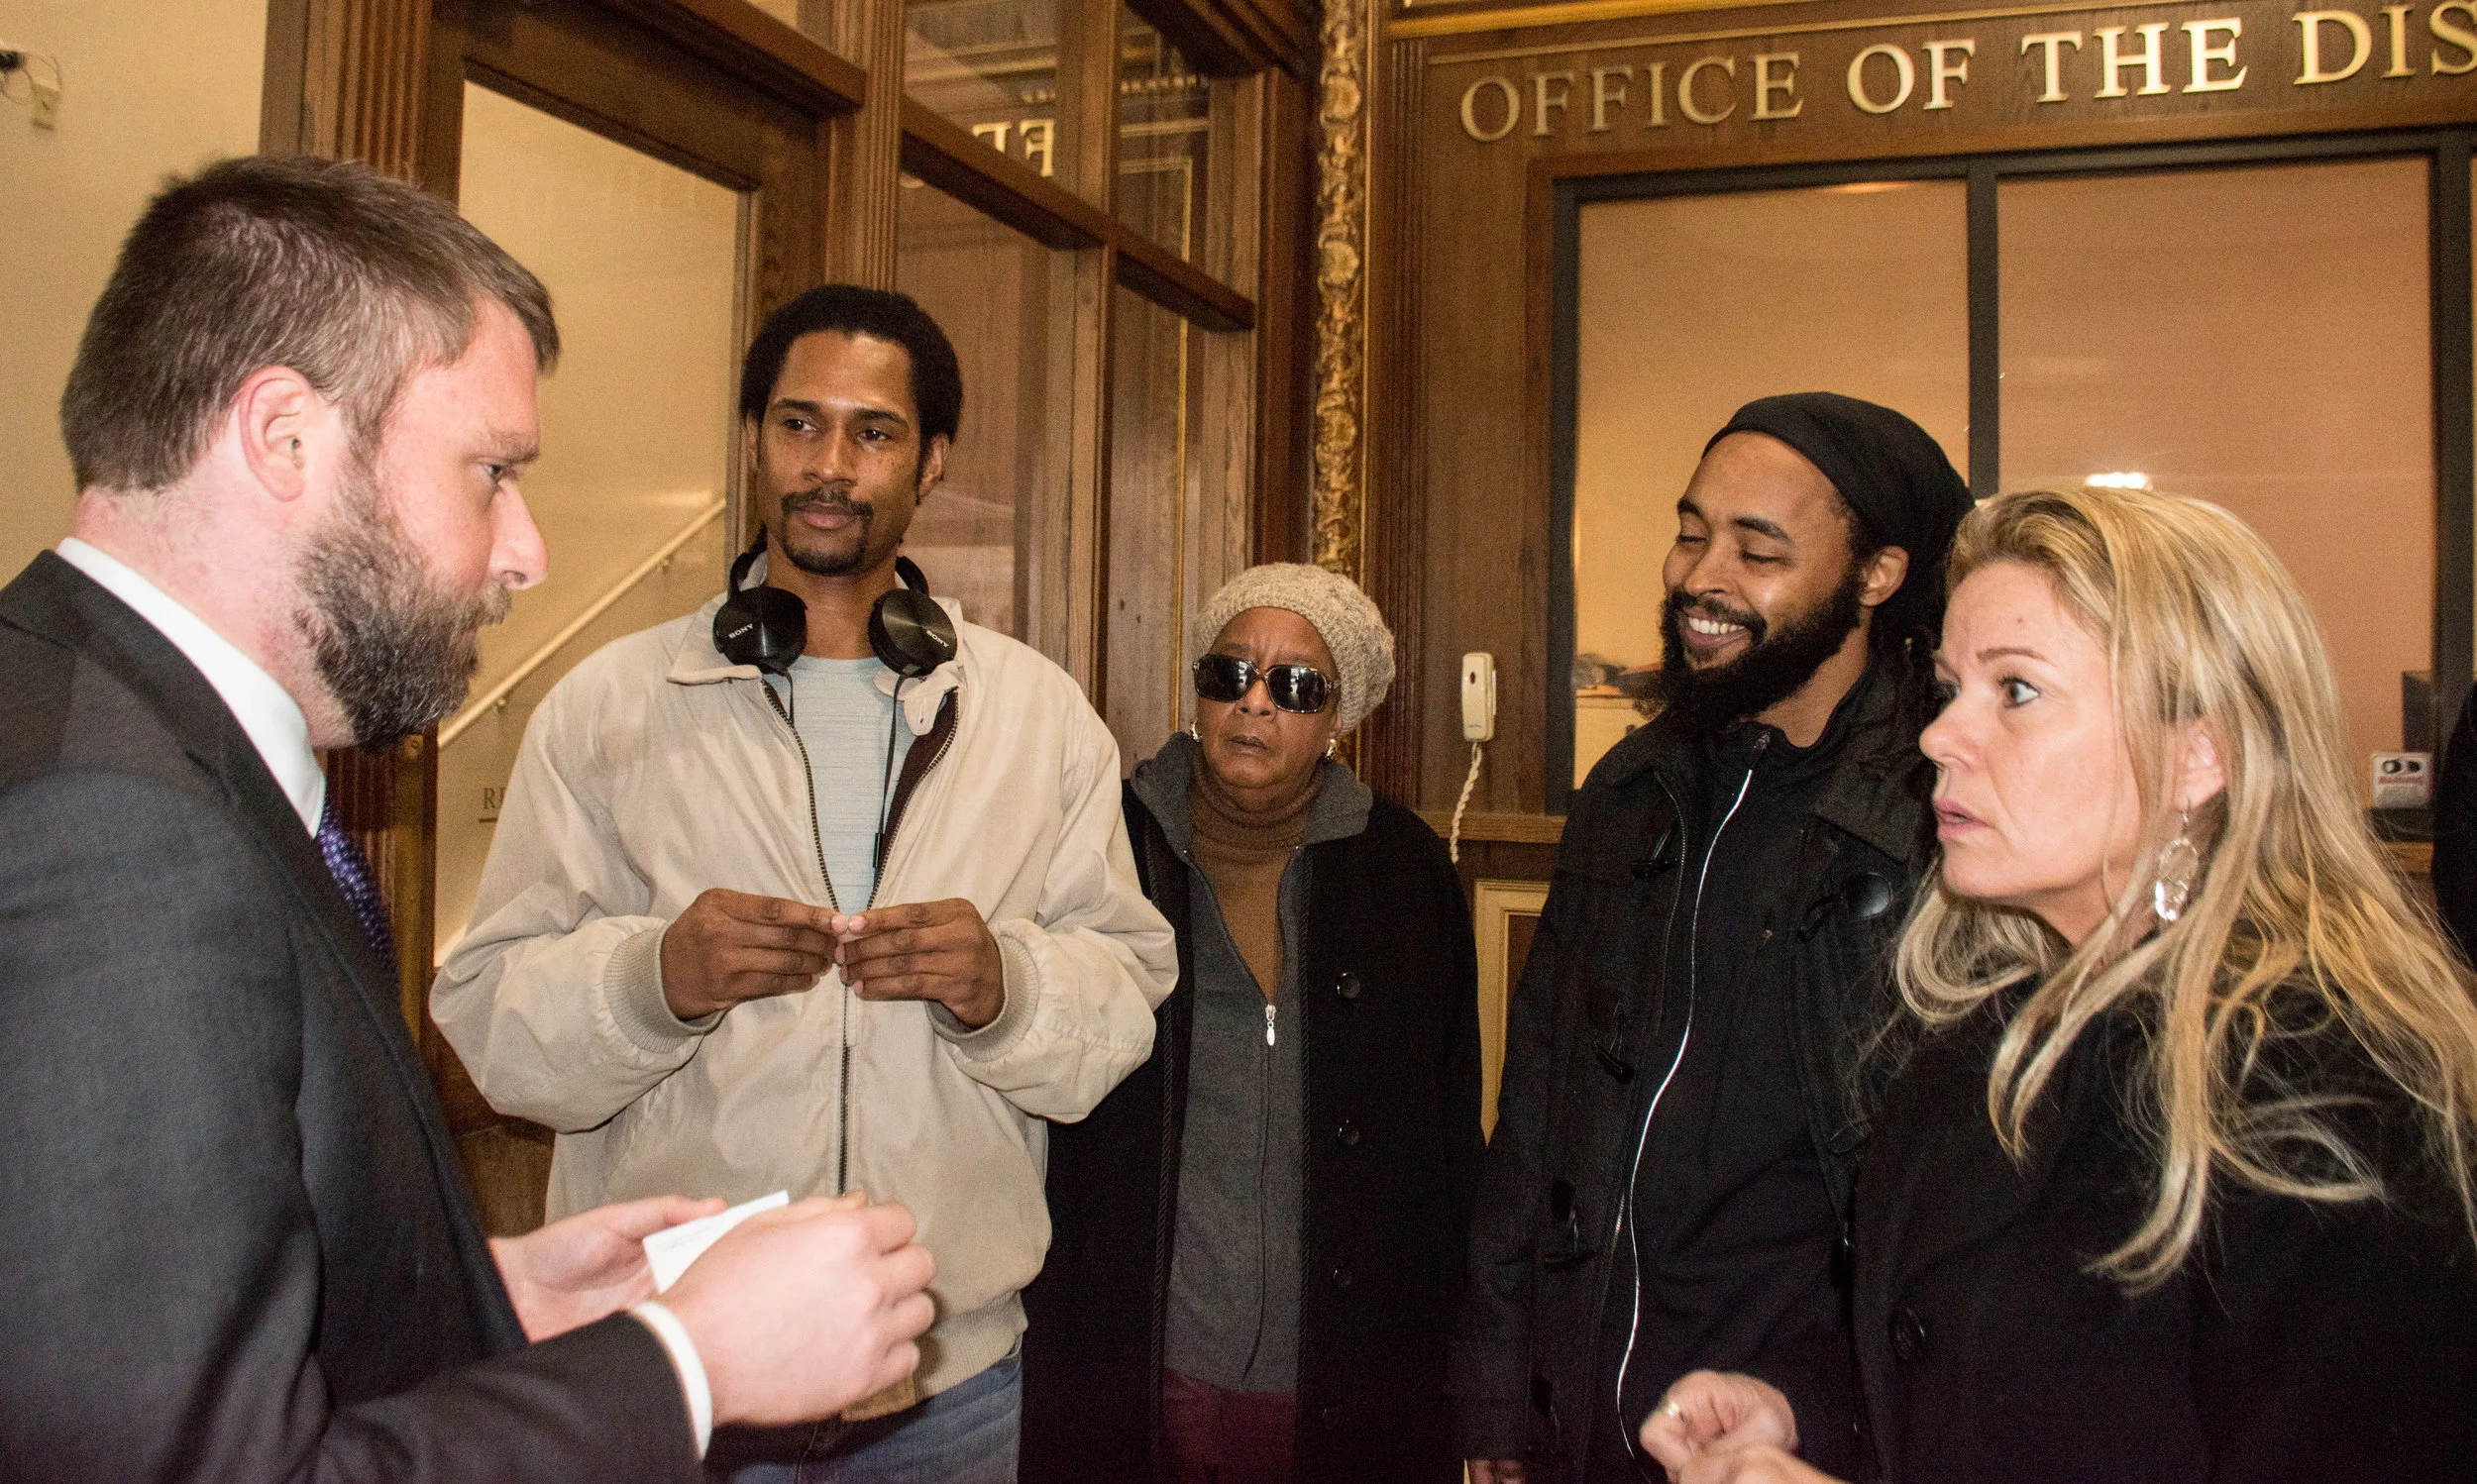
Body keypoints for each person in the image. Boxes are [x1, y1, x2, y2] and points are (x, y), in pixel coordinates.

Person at [0, 155, 937, 1482]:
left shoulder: (96, 721)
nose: (527, 551)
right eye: (492, 471)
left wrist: (481, 1297)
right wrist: (689, 1362)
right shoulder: (105, 837)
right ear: (283, 438)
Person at [432, 283, 1178, 1483]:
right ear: (753, 437)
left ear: (931, 460)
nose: (830, 465)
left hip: (950, 1391)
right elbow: (493, 1027)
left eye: (873, 432)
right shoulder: (607, 709)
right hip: (679, 1380)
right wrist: (653, 981)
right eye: (798, 424)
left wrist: (1006, 987)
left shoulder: (1038, 718)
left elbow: (1124, 1000)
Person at [1644, 484, 2477, 1484]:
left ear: (2199, 753)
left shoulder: (2341, 1102)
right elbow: (1972, 1358)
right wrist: (1798, 1409)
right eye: (1950, 688)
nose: (1939, 737)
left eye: (2017, 690)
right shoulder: (1983, 1033)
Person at [1453, 394, 1976, 1484]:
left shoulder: (1944, 825)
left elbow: (1945, 1227)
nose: (1701, 576)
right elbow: (1538, 1113)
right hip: (1583, 1421)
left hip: (1789, 1442)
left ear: (1877, 575)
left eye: (1758, 550)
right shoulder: (1629, 792)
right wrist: (1498, 1397)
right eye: (1692, 532)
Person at [1021, 565, 1483, 1484]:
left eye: (1297, 685)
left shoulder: (1405, 870)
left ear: (1341, 715)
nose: (1255, 703)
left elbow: (1446, 1138)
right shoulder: (1106, 843)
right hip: (1132, 1356)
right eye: (1230, 673)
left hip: (1345, 1371)